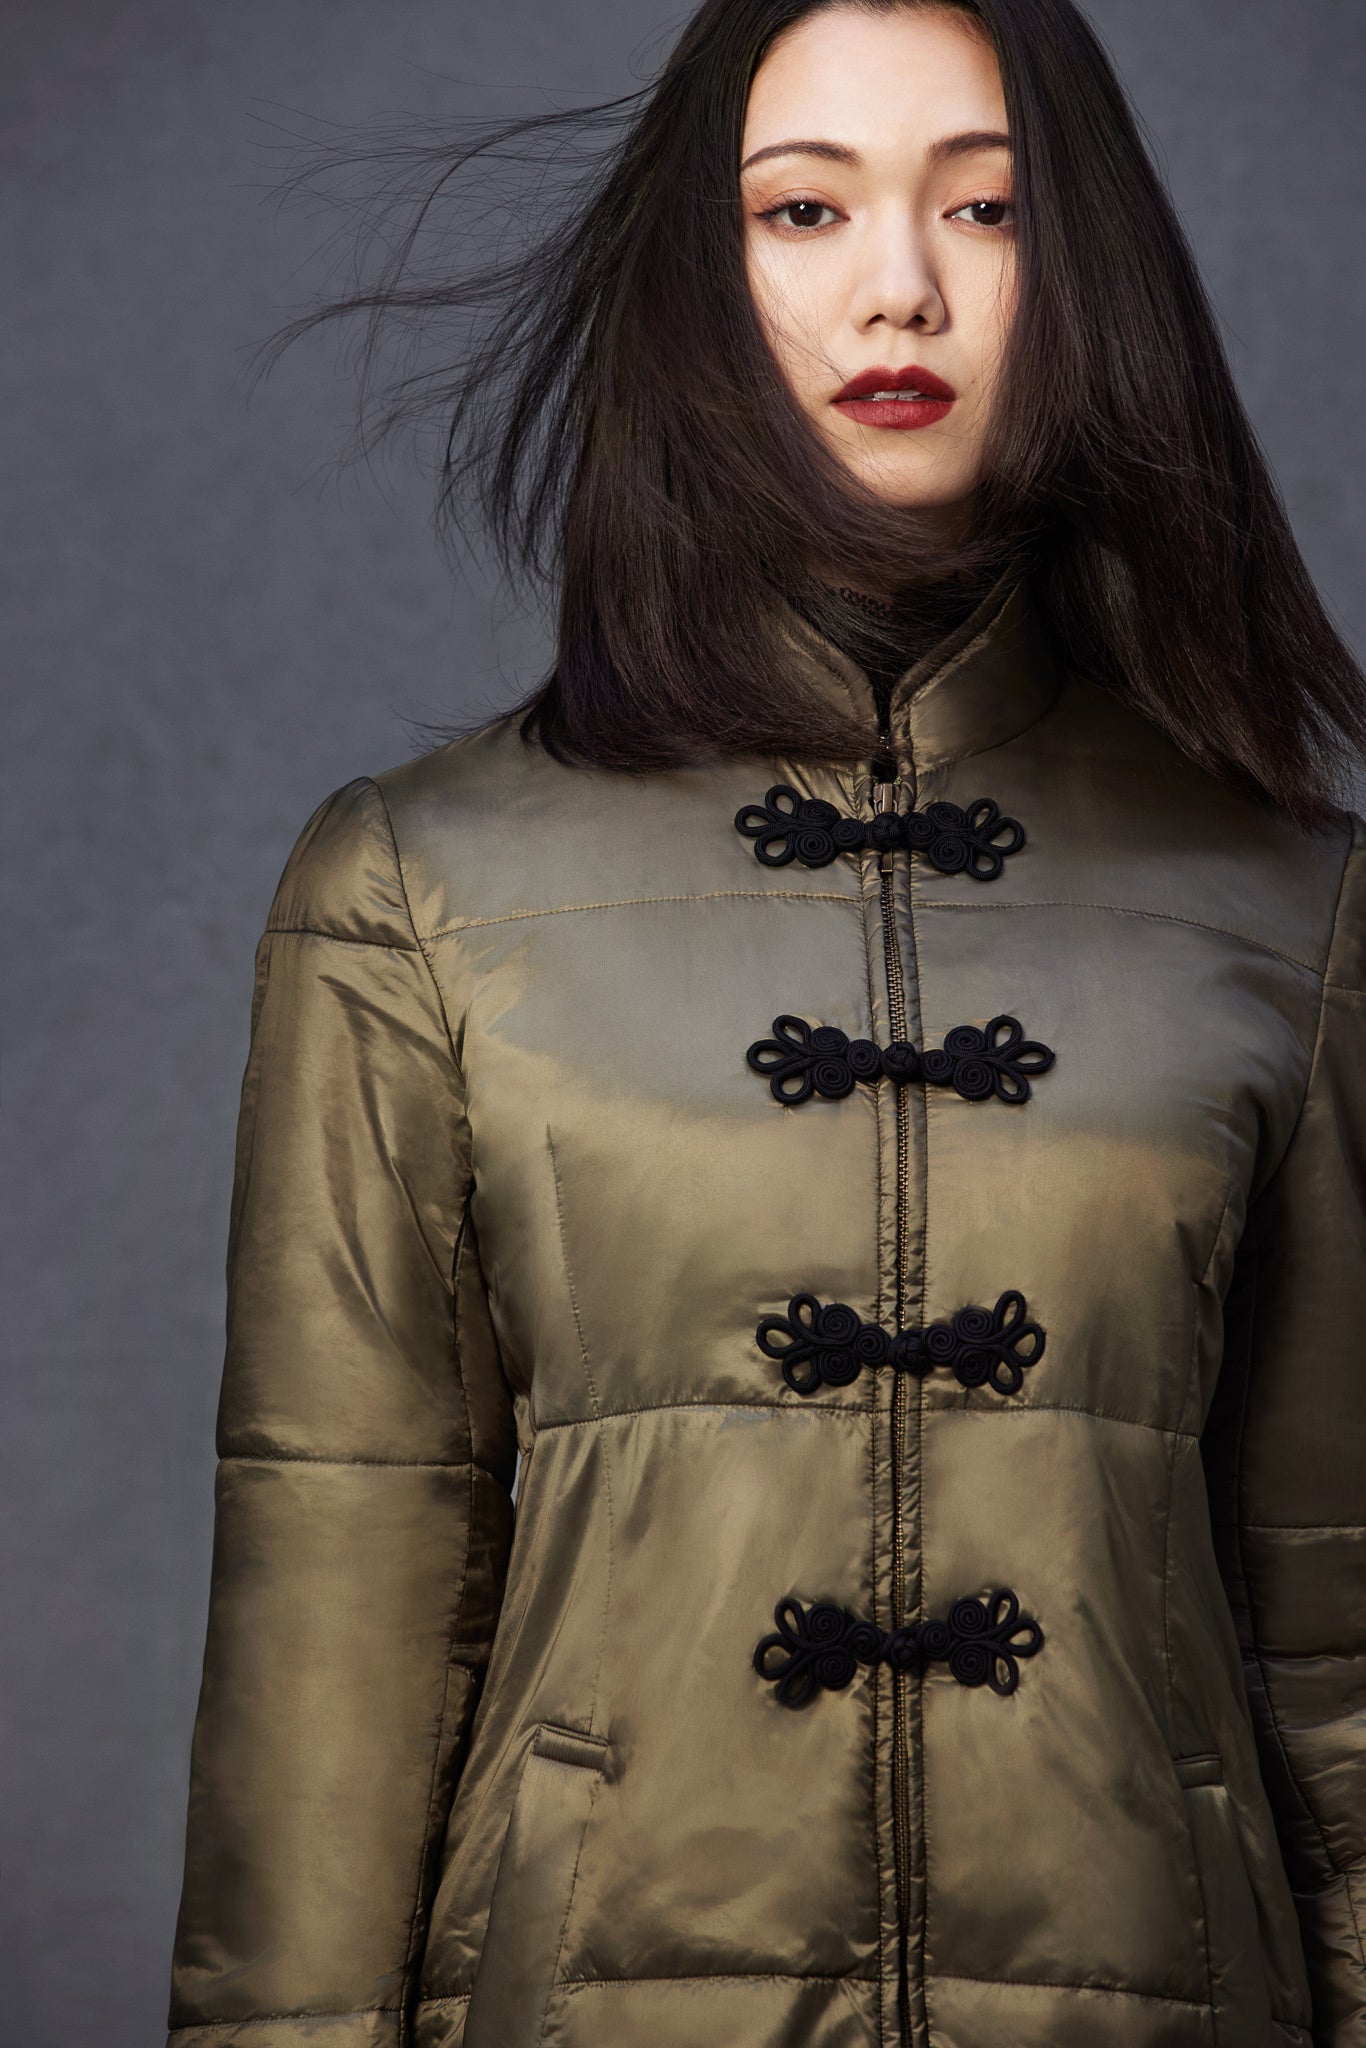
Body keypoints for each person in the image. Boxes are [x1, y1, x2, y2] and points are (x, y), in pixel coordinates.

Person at [164, 2, 1366, 2044]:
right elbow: (334, 1602)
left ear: (1088, 263)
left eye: (985, 207)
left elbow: (1340, 1637)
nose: (897, 287)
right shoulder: (417, 889)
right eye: (801, 210)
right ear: (690, 278)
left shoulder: (1288, 901)